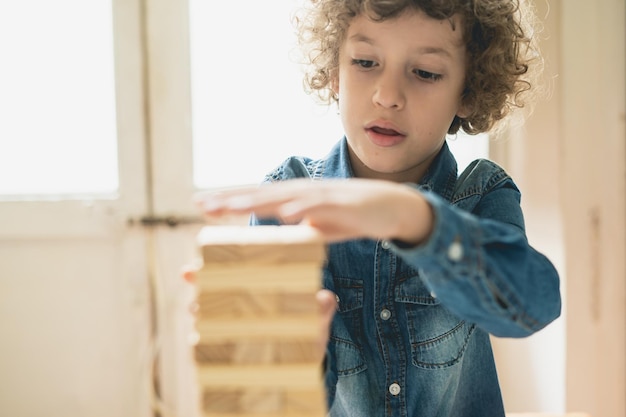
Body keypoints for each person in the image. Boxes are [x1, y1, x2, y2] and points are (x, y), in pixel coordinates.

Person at [195, 0, 562, 416]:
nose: (387, 96)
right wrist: (290, 358)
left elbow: (534, 305)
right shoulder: (290, 197)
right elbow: (275, 399)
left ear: (468, 91)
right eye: (366, 61)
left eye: (425, 72)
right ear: (335, 72)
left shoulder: (481, 192)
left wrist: (415, 220)